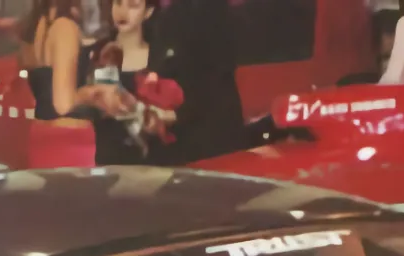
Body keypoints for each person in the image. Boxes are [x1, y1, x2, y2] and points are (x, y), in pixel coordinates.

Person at [87, 0, 184, 163]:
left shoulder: (162, 57)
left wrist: (162, 116)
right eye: (118, 3)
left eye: (133, 5)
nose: (123, 12)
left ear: (148, 12)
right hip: (110, 160)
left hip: (156, 163)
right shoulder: (100, 53)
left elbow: (179, 109)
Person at [147, 0, 242, 161]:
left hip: (213, 131)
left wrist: (177, 114)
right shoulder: (167, 17)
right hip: (180, 131)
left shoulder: (216, 14)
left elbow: (215, 74)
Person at [19, 0, 86, 120]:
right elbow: (63, 105)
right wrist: (94, 94)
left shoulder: (35, 25)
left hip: (39, 127)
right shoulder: (64, 28)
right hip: (64, 131)